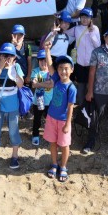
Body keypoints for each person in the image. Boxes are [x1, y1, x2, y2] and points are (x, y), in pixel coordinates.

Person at [0, 43, 24, 171]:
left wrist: (13, 71)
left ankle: (14, 156)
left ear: (15, 57)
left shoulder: (16, 67)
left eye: (10, 56)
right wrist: (0, 68)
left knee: (14, 131)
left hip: (13, 106)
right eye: (4, 55)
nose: (7, 58)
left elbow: (21, 85)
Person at [43, 54, 77, 183]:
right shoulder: (56, 80)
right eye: (61, 68)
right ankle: (54, 164)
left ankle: (63, 167)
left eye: (66, 68)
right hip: (51, 118)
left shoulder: (71, 88)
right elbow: (50, 64)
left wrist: (68, 124)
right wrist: (47, 49)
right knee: (52, 142)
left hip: (63, 121)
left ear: (71, 70)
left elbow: (70, 107)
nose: (63, 71)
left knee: (64, 145)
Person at [64, 7, 101, 105]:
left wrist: (91, 33)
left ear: (91, 19)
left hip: (91, 64)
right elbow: (64, 32)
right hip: (79, 63)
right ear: (80, 18)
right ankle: (81, 107)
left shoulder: (95, 29)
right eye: (83, 17)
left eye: (87, 17)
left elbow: (98, 45)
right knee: (80, 86)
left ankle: (91, 108)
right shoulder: (76, 29)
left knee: (91, 86)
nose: (85, 19)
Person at [30, 48, 54, 146]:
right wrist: (46, 83)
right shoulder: (35, 71)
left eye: (45, 60)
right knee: (37, 119)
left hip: (50, 102)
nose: (43, 62)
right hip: (38, 101)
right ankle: (35, 134)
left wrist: (40, 83)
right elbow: (34, 84)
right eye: (41, 60)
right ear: (38, 61)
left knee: (50, 119)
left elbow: (52, 85)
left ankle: (49, 135)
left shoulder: (52, 72)